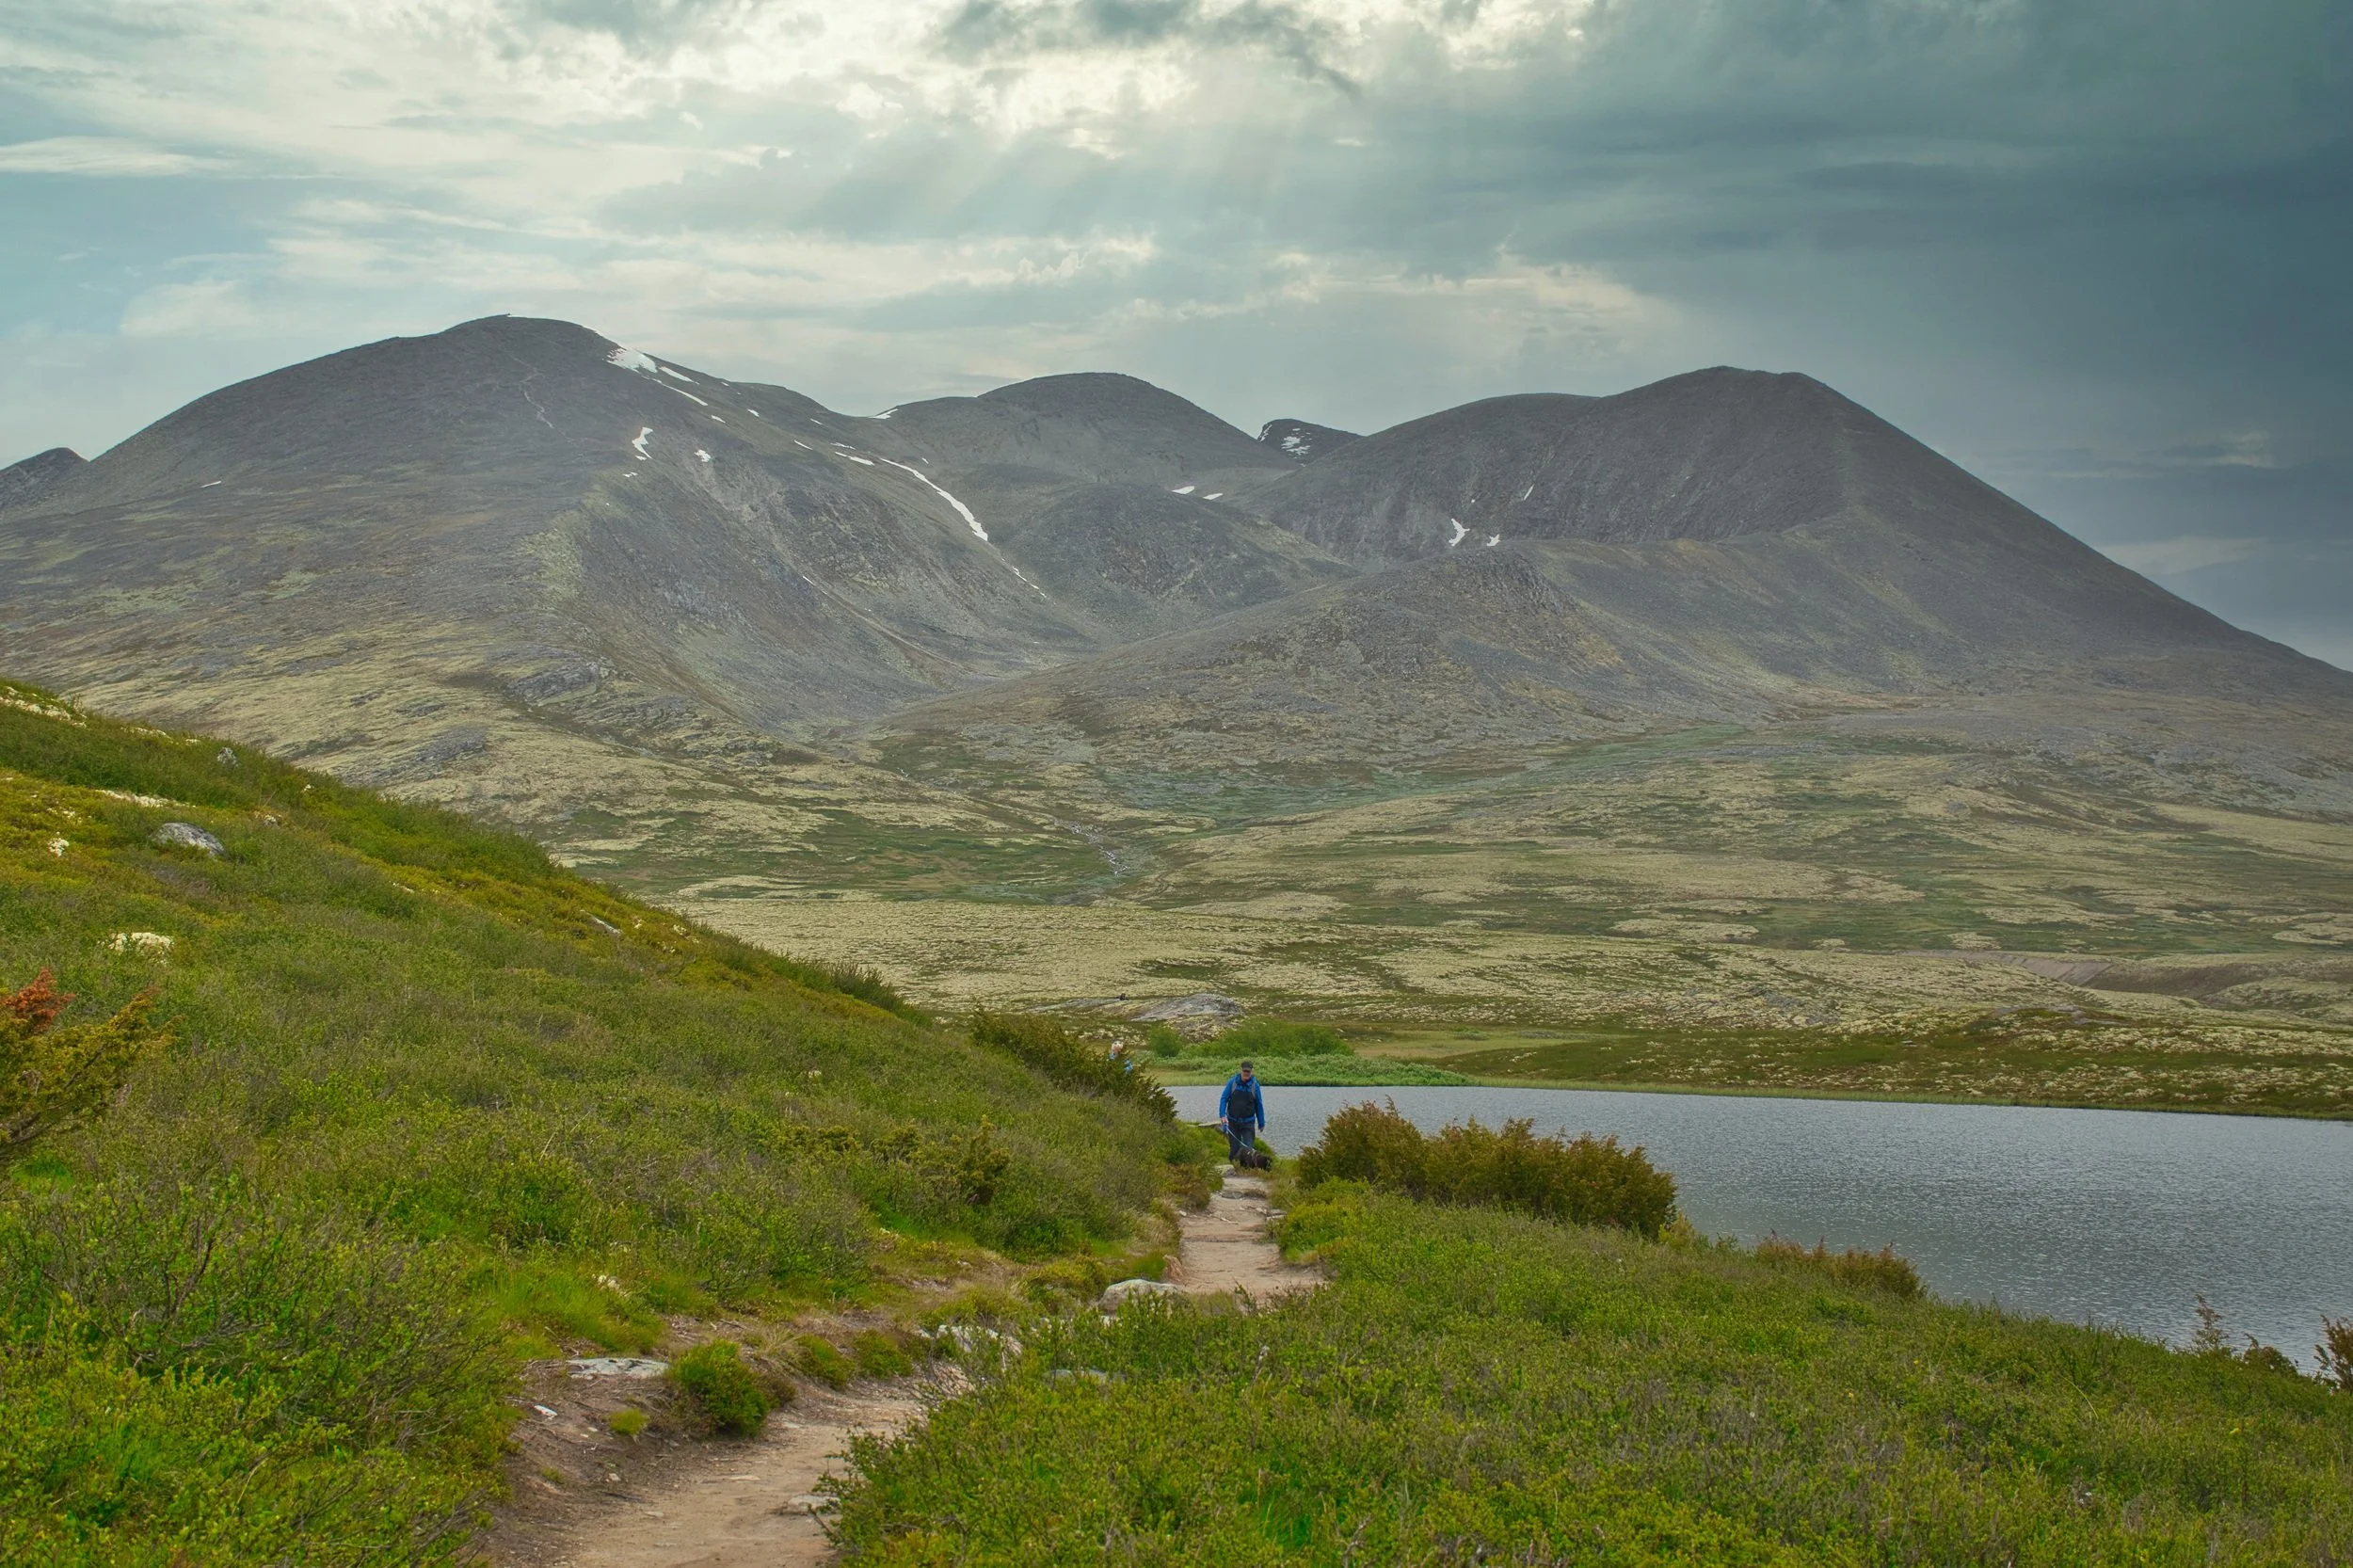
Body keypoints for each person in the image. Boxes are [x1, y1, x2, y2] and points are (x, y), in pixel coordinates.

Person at [1218, 1059, 1264, 1166]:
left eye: (1248, 1072)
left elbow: (1259, 1105)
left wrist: (1261, 1122)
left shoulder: (1255, 1086)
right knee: (1234, 1148)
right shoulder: (1232, 1083)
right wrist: (1222, 1115)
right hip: (1233, 1122)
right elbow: (1224, 1099)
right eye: (1245, 1071)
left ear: (1251, 1072)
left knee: (1248, 1148)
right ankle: (1232, 1168)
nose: (1246, 1073)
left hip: (1248, 1123)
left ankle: (1247, 1171)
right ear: (1241, 1070)